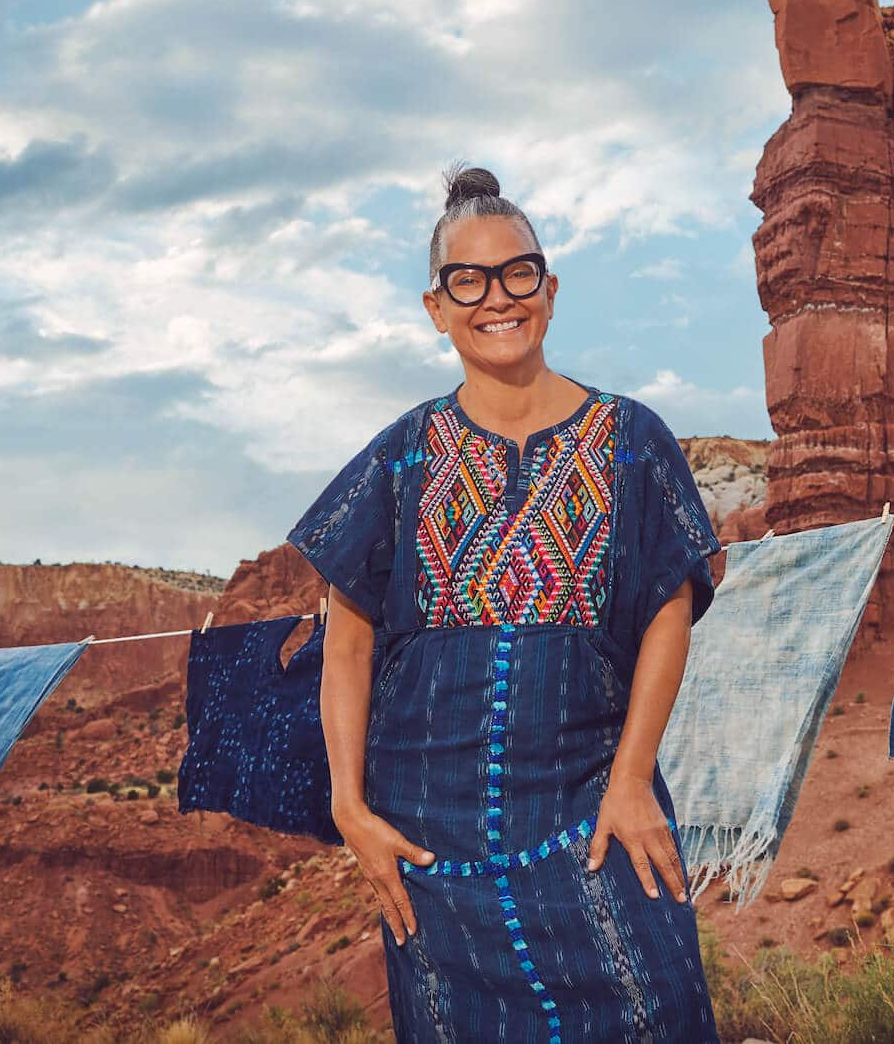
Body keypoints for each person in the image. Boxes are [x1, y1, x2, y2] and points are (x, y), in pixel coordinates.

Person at [286, 163, 724, 1041]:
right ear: (436, 306)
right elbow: (348, 645)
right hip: (430, 855)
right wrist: (347, 807)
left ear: (550, 290)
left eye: (518, 273)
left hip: (597, 817)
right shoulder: (400, 456)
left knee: (658, 1012)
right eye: (467, 280)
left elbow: (668, 613)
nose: (498, 298)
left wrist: (633, 782)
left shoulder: (631, 438)